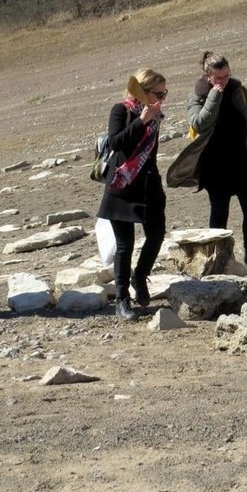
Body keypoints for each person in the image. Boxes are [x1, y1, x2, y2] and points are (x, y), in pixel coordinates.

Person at [166, 51, 247, 276]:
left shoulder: (240, 91)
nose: (224, 81)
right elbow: (199, 124)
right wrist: (214, 95)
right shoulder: (198, 95)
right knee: (219, 214)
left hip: (243, 161)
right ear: (208, 76)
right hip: (215, 166)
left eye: (227, 75)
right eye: (219, 77)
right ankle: (220, 260)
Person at [97, 69, 168, 321]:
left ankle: (140, 276)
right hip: (123, 185)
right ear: (143, 91)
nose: (162, 98)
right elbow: (116, 143)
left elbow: (151, 154)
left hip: (149, 184)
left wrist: (150, 118)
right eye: (158, 93)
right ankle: (122, 299)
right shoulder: (122, 110)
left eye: (165, 93)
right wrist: (141, 121)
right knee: (124, 245)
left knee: (157, 233)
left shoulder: (155, 114)